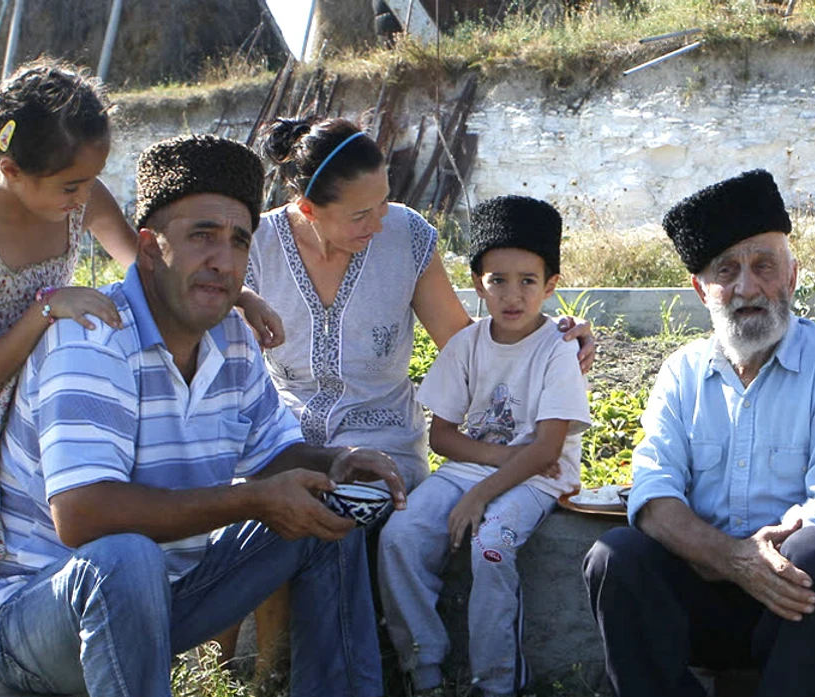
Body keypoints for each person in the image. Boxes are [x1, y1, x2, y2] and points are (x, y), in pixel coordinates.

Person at [0, 134, 405, 697]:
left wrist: (333, 464)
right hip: (37, 621)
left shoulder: (231, 336)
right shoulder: (91, 336)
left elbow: (274, 452)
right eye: (202, 235)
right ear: (150, 245)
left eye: (239, 239)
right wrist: (248, 498)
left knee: (325, 505)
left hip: (162, 596)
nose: (224, 258)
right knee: (126, 553)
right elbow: (84, 518)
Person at [0, 61, 280, 697]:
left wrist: (227, 294)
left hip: (43, 403)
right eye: (69, 188)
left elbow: (152, 269)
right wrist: (47, 309)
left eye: (91, 182)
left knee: (51, 551)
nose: (84, 201)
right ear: (10, 165)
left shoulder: (73, 188)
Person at [567, 170, 815, 697]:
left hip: (794, 596)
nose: (746, 287)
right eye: (725, 270)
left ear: (792, 276)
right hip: (706, 584)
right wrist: (729, 556)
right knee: (616, 557)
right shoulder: (682, 372)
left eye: (763, 265)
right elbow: (652, 496)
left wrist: (760, 558)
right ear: (699, 289)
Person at [250, 116, 594, 494]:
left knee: (346, 510)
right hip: (285, 443)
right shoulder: (256, 246)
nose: (379, 222)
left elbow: (466, 344)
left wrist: (547, 336)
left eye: (383, 201)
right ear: (309, 209)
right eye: (360, 214)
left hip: (382, 446)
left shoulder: (406, 234)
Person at [376, 195, 591, 697]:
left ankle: (499, 693)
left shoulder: (557, 349)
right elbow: (444, 436)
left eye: (527, 281)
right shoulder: (467, 344)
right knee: (399, 536)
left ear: (551, 284)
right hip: (476, 466)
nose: (512, 295)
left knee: (491, 544)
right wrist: (490, 464)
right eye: (498, 280)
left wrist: (481, 493)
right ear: (476, 282)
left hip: (540, 478)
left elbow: (545, 450)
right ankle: (425, 674)